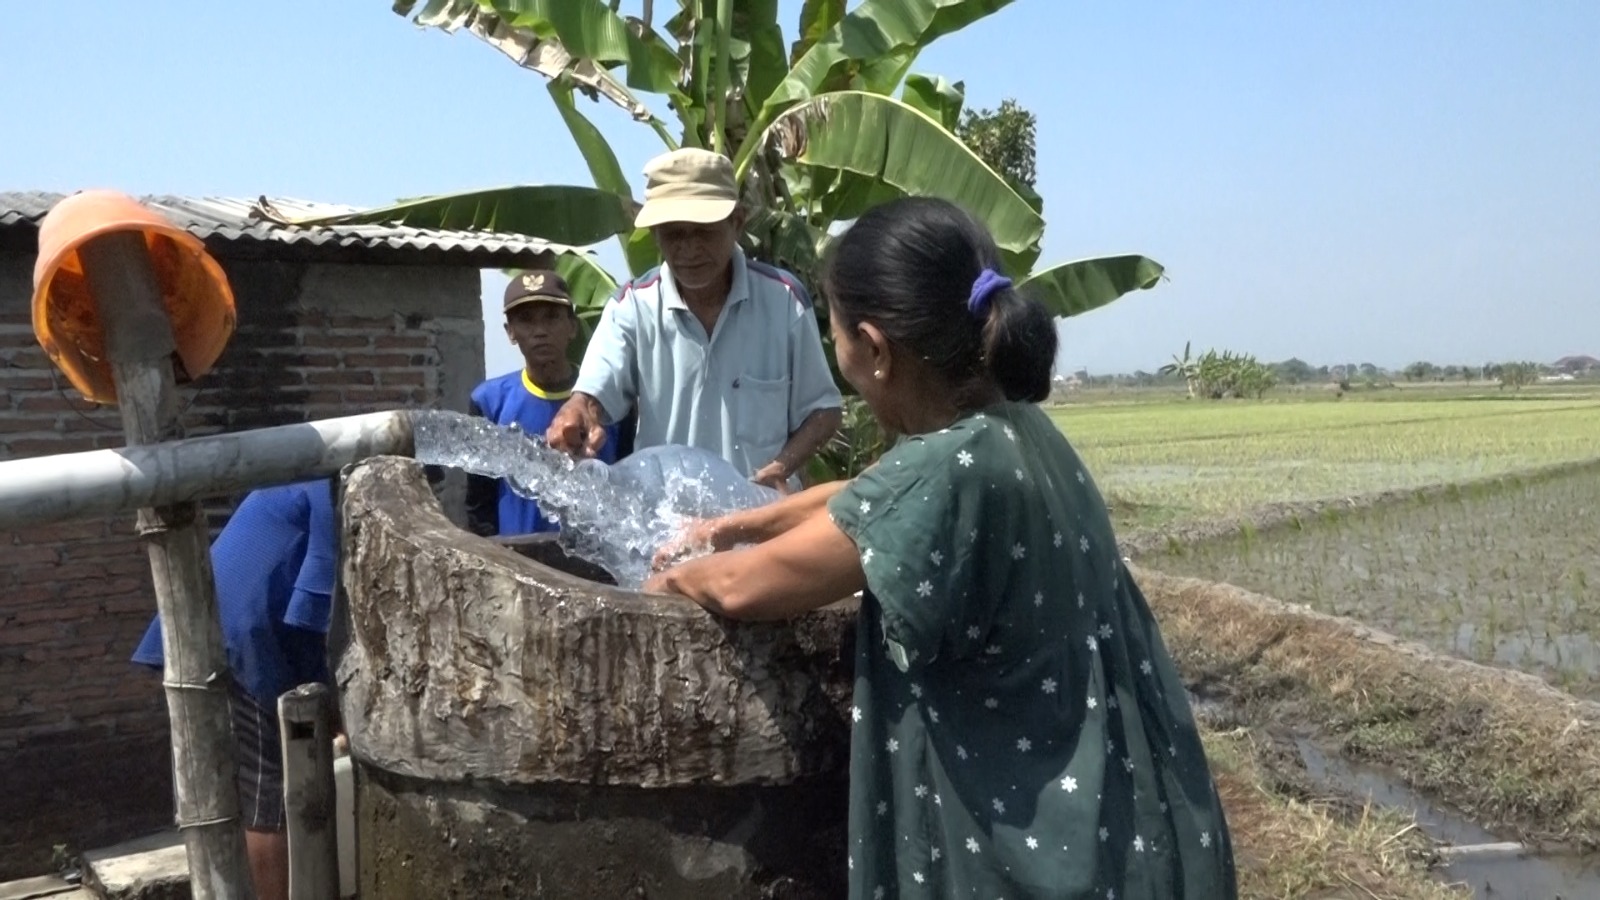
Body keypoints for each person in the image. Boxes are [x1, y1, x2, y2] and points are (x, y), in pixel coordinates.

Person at [645, 197, 1237, 898]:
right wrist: (732, 526)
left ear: (872, 347)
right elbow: (865, 494)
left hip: (1032, 832)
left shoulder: (937, 478)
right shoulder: (1013, 433)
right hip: (1120, 798)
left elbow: (748, 587)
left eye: (831, 334)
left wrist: (668, 584)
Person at [545, 147, 842, 492]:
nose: (688, 249)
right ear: (656, 234)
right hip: (666, 527)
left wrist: (780, 467)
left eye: (703, 231)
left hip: (763, 523)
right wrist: (578, 412)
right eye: (674, 234)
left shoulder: (784, 301)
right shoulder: (632, 308)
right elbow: (592, 398)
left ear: (737, 221)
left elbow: (824, 412)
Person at [131, 478, 341, 900]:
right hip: (242, 645)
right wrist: (331, 707)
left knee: (221, 795)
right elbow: (310, 612)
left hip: (203, 632)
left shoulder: (301, 477)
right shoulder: (332, 496)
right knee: (265, 803)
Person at [468, 270, 622, 537]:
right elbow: (480, 506)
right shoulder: (489, 402)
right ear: (510, 332)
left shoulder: (610, 398)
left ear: (572, 326)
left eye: (551, 318)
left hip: (600, 568)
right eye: (526, 321)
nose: (540, 331)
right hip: (518, 561)